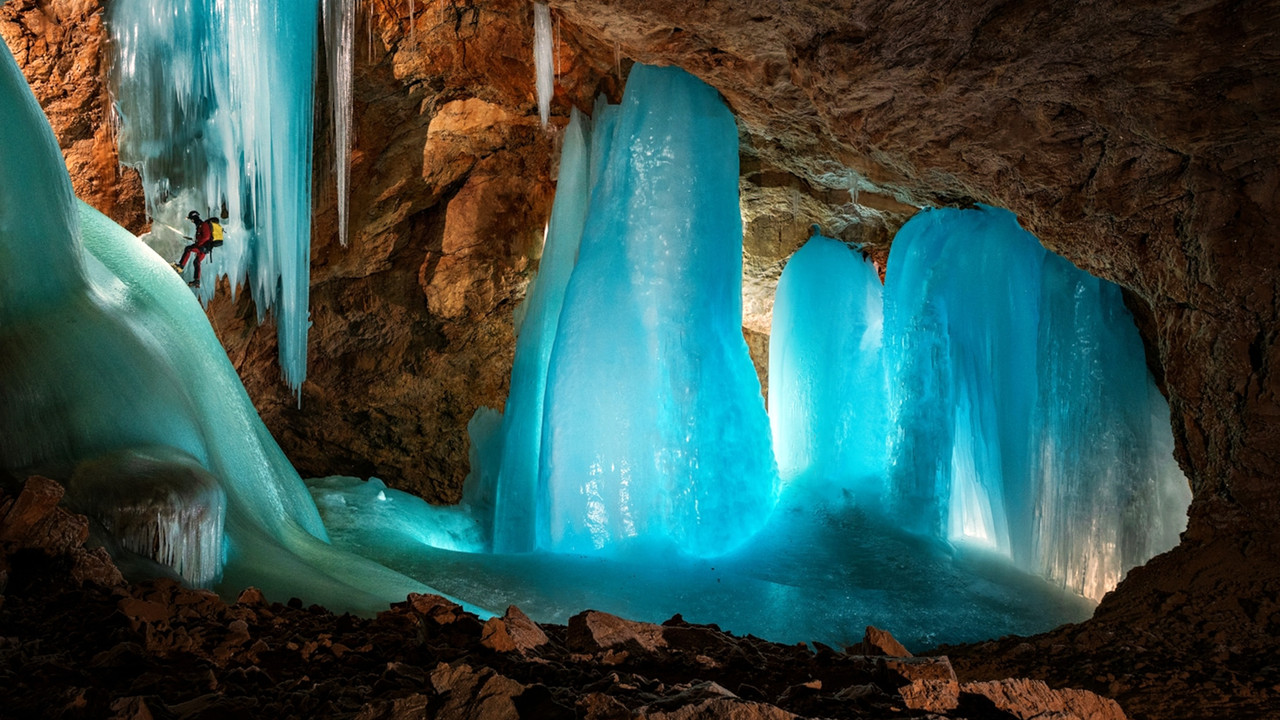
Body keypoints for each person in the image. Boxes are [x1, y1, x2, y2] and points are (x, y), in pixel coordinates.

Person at [175, 210, 218, 288]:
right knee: (196, 262)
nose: (192, 221)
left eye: (192, 219)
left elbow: (206, 237)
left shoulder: (203, 225)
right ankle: (197, 281)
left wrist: (197, 244)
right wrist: (196, 241)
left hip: (203, 247)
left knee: (188, 249)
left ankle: (181, 266)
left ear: (194, 218)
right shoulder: (199, 226)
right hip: (204, 248)